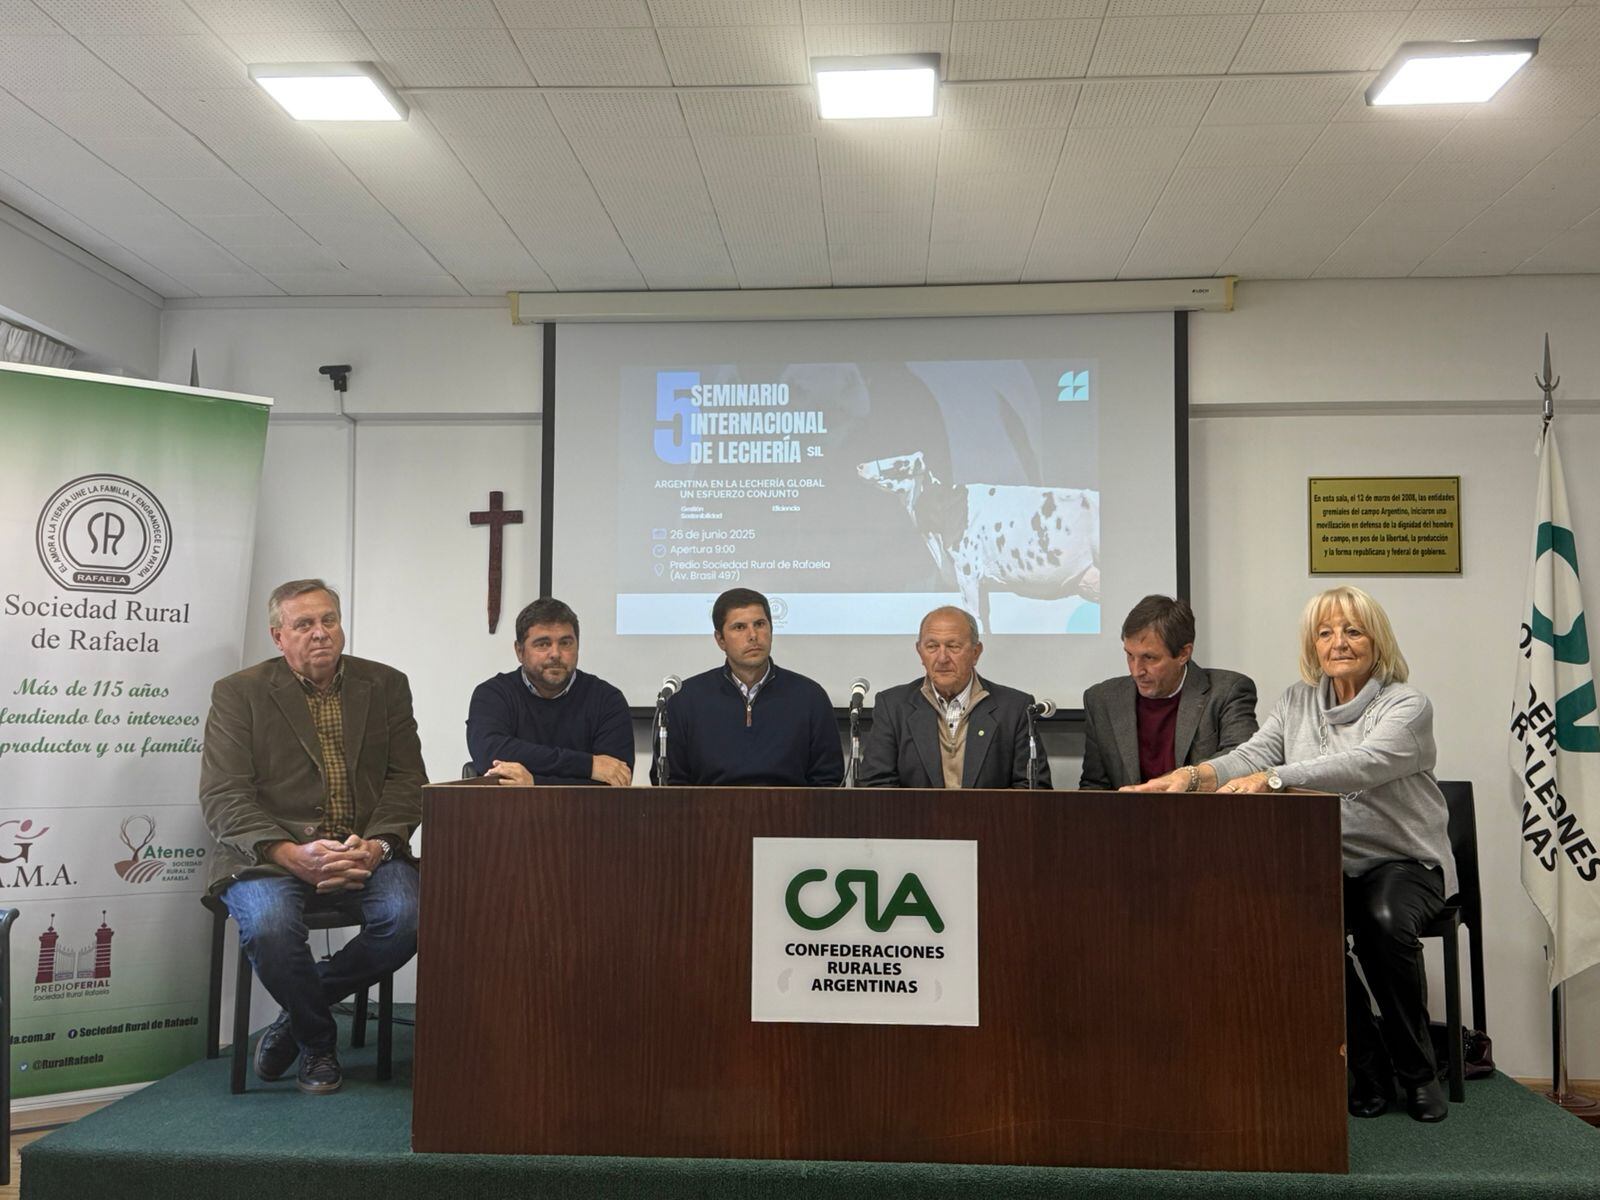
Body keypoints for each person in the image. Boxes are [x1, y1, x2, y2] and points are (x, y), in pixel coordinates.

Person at [1127, 585, 1456, 1123]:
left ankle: (1418, 1073)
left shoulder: (1406, 705)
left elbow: (1365, 762)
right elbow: (1252, 754)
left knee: (1382, 920)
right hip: (1325, 862)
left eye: (1352, 630)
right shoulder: (1296, 701)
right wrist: (1191, 776)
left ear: (1377, 640)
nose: (1338, 642)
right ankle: (1368, 1068)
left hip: (1403, 863)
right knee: (1294, 927)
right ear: (1312, 644)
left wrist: (1275, 778)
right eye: (1325, 632)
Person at [198, 579, 425, 1096]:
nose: (320, 633)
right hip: (268, 855)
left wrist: (378, 846)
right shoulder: (238, 693)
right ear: (278, 637)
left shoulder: (385, 685)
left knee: (411, 918)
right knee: (270, 926)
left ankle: (298, 1014)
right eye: (304, 624)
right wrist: (288, 853)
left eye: (329, 620)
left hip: (364, 852)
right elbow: (223, 794)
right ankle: (318, 1041)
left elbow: (407, 780)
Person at [656, 587, 843, 787]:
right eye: (739, 627)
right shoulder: (685, 700)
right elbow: (670, 784)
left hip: (791, 806)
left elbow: (828, 781)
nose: (753, 635)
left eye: (760, 624)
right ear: (720, 640)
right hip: (708, 807)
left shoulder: (810, 697)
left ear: (771, 630)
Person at [859, 606, 1051, 789]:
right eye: (932, 646)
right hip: (914, 814)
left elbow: (1033, 789)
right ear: (920, 652)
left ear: (976, 652)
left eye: (953, 646)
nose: (942, 658)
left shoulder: (1015, 709)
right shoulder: (893, 706)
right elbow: (876, 786)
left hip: (990, 814)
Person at [1079, 595, 1258, 790]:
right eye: (1130, 655)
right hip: (1126, 810)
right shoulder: (1102, 700)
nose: (1136, 671)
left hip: (1201, 809)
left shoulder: (1227, 692)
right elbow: (1094, 788)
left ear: (1183, 654)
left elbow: (1244, 762)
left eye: (1149, 658)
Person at [466, 597, 633, 787]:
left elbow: (615, 785)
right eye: (543, 644)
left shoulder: (607, 700)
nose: (555, 654)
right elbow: (490, 755)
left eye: (565, 643)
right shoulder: (493, 695)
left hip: (587, 809)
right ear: (519, 651)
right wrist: (588, 765)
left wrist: (535, 783)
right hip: (509, 807)